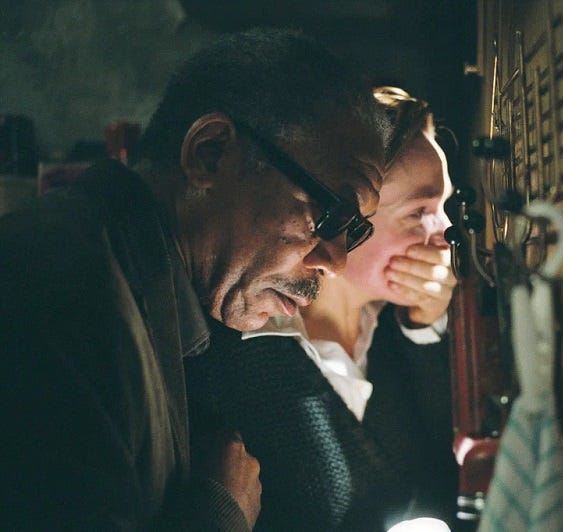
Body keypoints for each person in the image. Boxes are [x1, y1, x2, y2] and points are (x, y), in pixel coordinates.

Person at [0, 28, 385, 530]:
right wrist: (220, 512)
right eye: (331, 215)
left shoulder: (147, 288)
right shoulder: (63, 293)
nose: (335, 263)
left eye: (355, 231)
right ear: (210, 153)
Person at [184, 87, 459, 531]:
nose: (446, 232)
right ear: (350, 213)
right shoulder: (235, 345)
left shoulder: (396, 326)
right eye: (419, 212)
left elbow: (445, 479)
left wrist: (425, 330)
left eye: (444, 205)